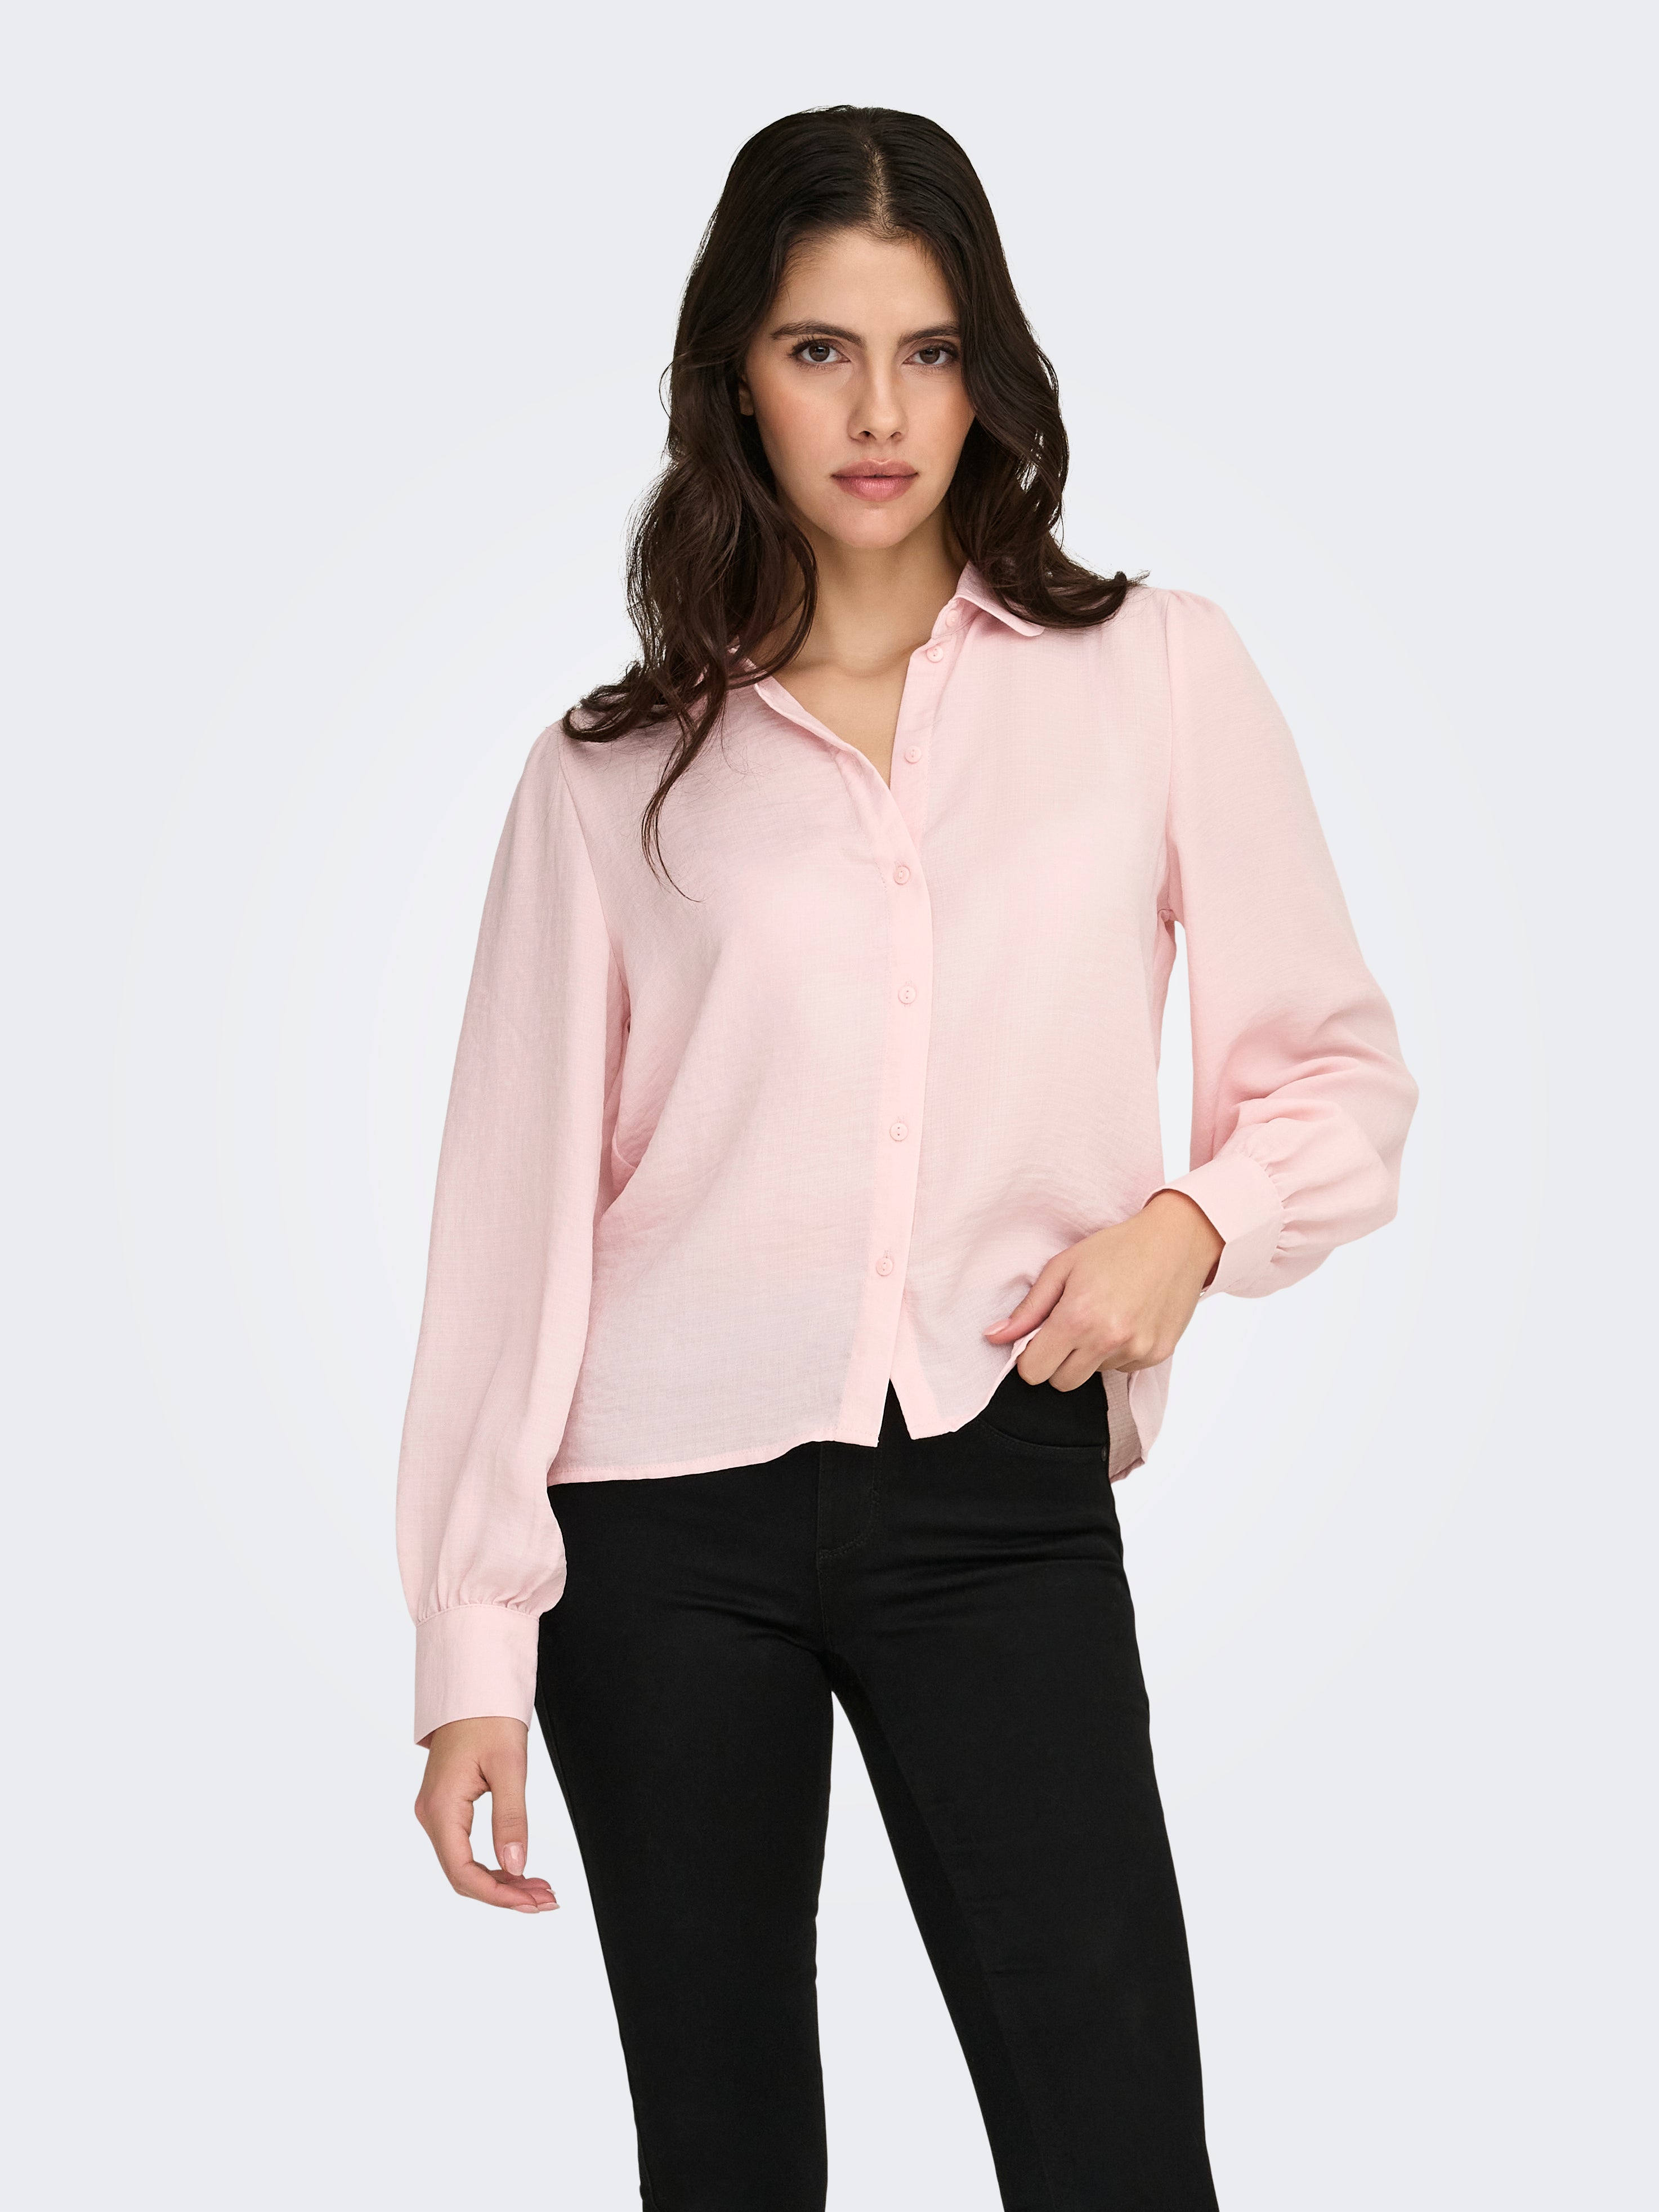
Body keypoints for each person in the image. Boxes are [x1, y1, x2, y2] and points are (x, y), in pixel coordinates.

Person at [396, 104, 1417, 2211]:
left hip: (993, 1475)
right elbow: (511, 1231)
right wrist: (471, 1649)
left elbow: (1333, 1075)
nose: (878, 413)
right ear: (733, 379)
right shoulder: (610, 772)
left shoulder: (1151, 671)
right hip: (653, 1529)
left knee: (1113, 2137)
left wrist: (1189, 1223)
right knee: (725, 2155)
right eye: (819, 350)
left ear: (988, 375)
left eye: (927, 351)